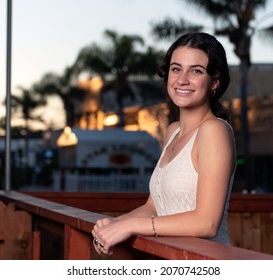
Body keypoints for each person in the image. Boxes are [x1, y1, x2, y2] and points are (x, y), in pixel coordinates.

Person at [92, 32, 236, 255]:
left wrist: (129, 226)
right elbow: (154, 207)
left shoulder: (214, 130)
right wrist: (113, 225)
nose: (182, 79)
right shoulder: (173, 131)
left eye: (196, 71)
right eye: (176, 69)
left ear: (214, 82)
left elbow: (207, 223)